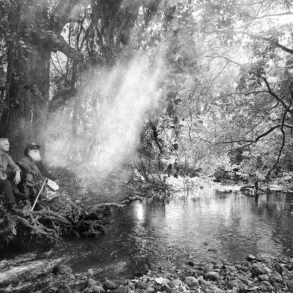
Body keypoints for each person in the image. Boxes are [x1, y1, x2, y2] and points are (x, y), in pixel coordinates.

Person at [0, 138, 21, 208]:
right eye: (6, 144)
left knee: (18, 173)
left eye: (8, 144)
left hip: (2, 176)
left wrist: (17, 173)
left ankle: (16, 192)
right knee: (6, 183)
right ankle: (13, 205)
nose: (8, 145)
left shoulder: (6, 156)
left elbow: (15, 166)